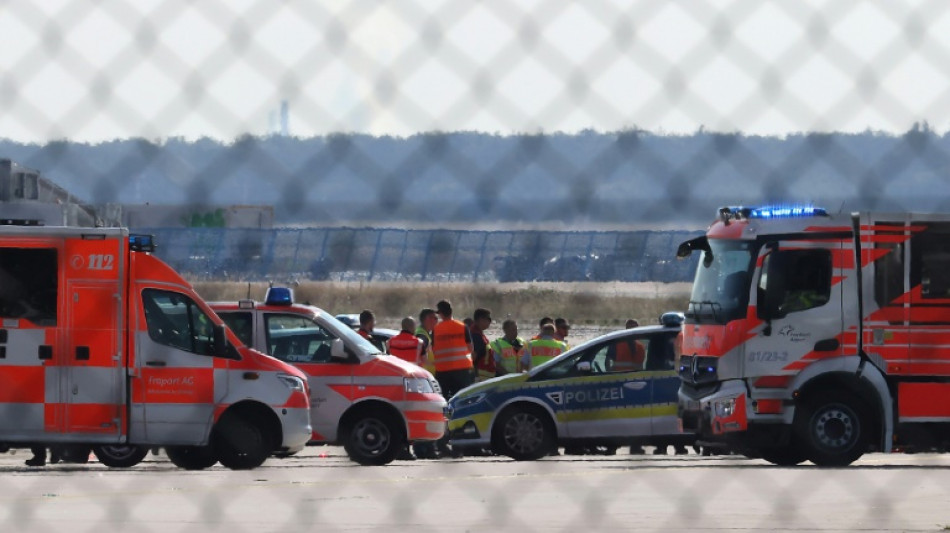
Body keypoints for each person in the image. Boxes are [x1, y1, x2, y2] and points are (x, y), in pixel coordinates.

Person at [431, 300, 475, 458]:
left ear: (440, 314)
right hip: (461, 372)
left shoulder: (436, 329)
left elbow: (433, 349)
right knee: (462, 407)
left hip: (443, 372)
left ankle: (442, 443)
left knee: (444, 409)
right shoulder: (462, 326)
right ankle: (461, 444)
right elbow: (470, 348)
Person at [413, 308, 439, 459]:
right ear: (427, 319)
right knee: (427, 414)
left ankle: (425, 447)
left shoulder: (425, 334)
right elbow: (421, 358)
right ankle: (424, 448)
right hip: (425, 380)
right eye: (434, 318)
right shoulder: (422, 336)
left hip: (426, 379)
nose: (436, 321)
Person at [470, 308, 495, 381]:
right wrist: (476, 376)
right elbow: (472, 358)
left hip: (485, 377)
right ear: (481, 320)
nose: (490, 322)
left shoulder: (478, 334)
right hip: (480, 378)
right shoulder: (475, 336)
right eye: (489, 319)